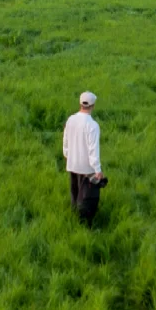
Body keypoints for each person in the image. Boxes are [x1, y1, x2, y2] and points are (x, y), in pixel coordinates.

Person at [63, 91, 107, 227]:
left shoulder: (71, 120)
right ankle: (84, 222)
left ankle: (73, 216)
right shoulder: (93, 125)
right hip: (86, 168)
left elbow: (65, 140)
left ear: (80, 104)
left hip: (72, 163)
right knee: (86, 197)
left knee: (74, 192)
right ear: (93, 105)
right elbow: (93, 150)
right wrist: (97, 169)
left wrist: (67, 155)